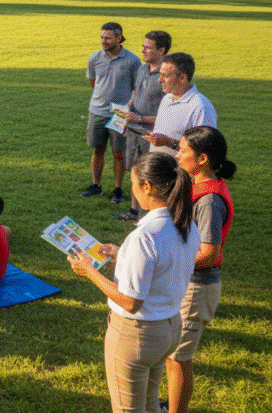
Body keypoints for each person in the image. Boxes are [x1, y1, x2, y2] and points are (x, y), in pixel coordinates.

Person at [68, 153, 200, 413]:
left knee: (128, 408)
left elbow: (130, 302)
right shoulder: (185, 223)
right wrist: (122, 255)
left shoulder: (146, 235)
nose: (132, 189)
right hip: (170, 327)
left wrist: (88, 271)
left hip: (138, 334)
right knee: (150, 402)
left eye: (133, 183)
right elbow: (165, 266)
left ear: (148, 187)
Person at [165, 126, 236, 413]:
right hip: (185, 281)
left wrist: (166, 259)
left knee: (178, 359)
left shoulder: (209, 201)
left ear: (203, 158)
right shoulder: (196, 184)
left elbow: (208, 254)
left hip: (197, 287)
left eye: (183, 150)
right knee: (172, 355)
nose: (177, 154)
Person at [114, 31, 171, 222]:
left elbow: (168, 114)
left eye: (148, 47)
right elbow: (135, 93)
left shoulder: (166, 75)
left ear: (161, 50)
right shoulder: (141, 69)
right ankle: (133, 210)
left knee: (151, 175)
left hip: (152, 137)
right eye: (143, 45)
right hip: (133, 132)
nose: (142, 50)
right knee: (135, 171)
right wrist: (127, 108)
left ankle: (152, 214)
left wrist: (139, 118)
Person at [82, 22, 141, 204]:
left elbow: (136, 88)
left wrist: (126, 106)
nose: (103, 41)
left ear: (118, 38)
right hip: (97, 112)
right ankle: (96, 185)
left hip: (119, 114)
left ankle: (117, 189)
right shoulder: (95, 58)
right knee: (97, 150)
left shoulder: (132, 60)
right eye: (102, 37)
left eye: (107, 38)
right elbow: (94, 82)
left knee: (119, 153)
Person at [143, 53, 217, 156]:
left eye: (166, 76)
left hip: (180, 171)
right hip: (159, 168)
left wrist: (168, 142)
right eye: (160, 74)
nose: (159, 80)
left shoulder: (201, 107)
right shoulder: (167, 98)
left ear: (182, 78)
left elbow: (205, 149)